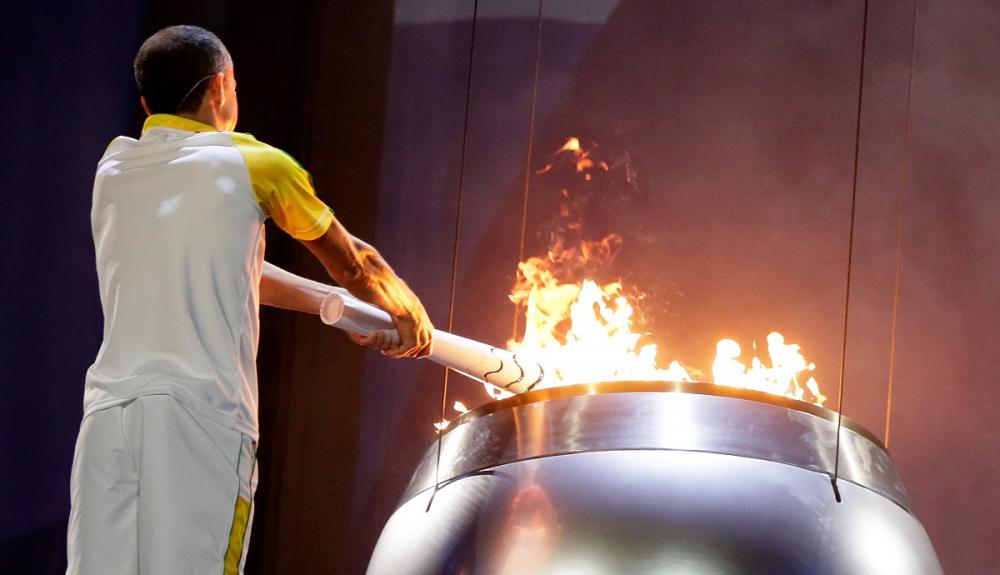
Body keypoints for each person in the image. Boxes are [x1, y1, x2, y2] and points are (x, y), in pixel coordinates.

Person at [66, 24, 433, 574]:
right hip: (201, 419)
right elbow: (358, 261)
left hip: (107, 417)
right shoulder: (254, 163)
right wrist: (408, 317)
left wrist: (327, 304)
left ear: (147, 104)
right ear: (221, 87)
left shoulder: (114, 169)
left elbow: (234, 267)